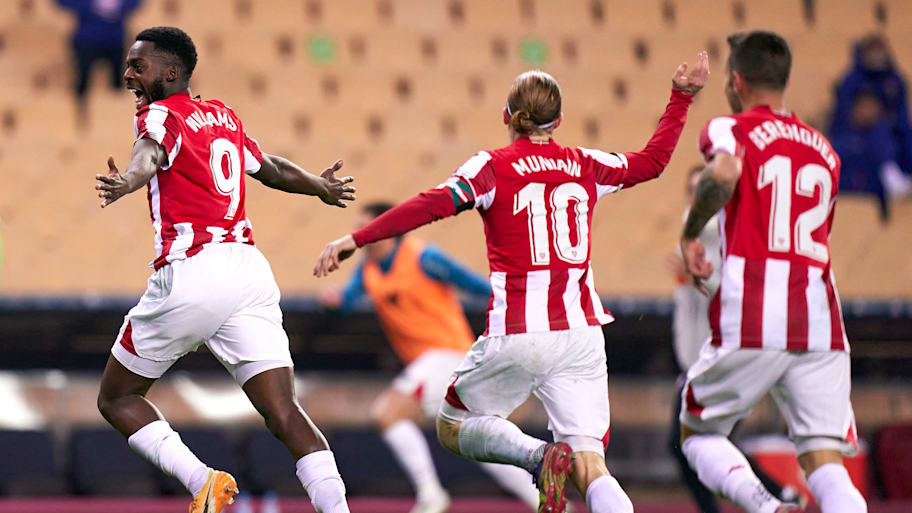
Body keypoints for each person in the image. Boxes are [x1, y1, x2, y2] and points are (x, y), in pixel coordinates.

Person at [315, 55, 709, 513]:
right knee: (591, 466)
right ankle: (554, 461)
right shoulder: (585, 164)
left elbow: (431, 204)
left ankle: (538, 457)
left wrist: (357, 238)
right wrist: (681, 98)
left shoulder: (491, 167)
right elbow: (653, 162)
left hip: (521, 329)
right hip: (582, 333)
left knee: (453, 424)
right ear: (558, 121)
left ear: (507, 115)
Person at [93, 27, 355, 513]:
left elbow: (149, 154)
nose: (127, 74)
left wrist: (129, 180)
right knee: (284, 410)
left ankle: (202, 481)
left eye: (138, 66)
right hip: (249, 271)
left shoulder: (159, 115)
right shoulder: (223, 115)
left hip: (194, 270)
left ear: (171, 73)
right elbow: (270, 167)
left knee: (117, 398)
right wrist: (319, 186)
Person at [679, 31, 867, 513]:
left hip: (756, 309)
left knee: (697, 433)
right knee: (825, 462)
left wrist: (692, 231)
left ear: (736, 81)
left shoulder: (730, 128)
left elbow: (723, 174)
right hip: (820, 321)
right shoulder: (825, 149)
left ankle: (766, 506)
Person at [321, 201, 541, 513]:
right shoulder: (369, 269)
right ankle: (542, 499)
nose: (359, 236)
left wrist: (517, 304)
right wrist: (336, 299)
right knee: (478, 442)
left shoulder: (424, 257)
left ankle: (431, 495)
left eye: (366, 229)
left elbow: (475, 285)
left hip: (449, 356)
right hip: (432, 366)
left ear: (388, 231)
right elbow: (349, 298)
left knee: (388, 413)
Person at [668, 166, 795, 512]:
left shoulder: (726, 235)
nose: (698, 199)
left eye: (705, 191)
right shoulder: (693, 236)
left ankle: (769, 498)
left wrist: (698, 277)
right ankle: (778, 495)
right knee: (706, 443)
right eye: (693, 191)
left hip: (720, 360)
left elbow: (735, 296)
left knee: (690, 444)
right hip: (699, 362)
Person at [831, 34, 912, 177]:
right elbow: (842, 114)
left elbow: (902, 115)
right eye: (872, 50)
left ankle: (895, 173)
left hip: (888, 131)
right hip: (855, 132)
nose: (876, 56)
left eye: (879, 50)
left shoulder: (895, 79)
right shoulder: (851, 80)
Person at [830, 87, 910, 222]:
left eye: (873, 106)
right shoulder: (841, 139)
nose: (869, 111)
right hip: (848, 201)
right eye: (864, 106)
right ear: (854, 109)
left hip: (879, 203)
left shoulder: (887, 135)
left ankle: (891, 173)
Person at [56, 0, 143, 117]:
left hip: (115, 40)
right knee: (82, 81)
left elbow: (135, 3)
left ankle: (113, 117)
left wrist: (118, 6)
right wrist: (89, 6)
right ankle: (82, 113)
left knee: (118, 85)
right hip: (86, 40)